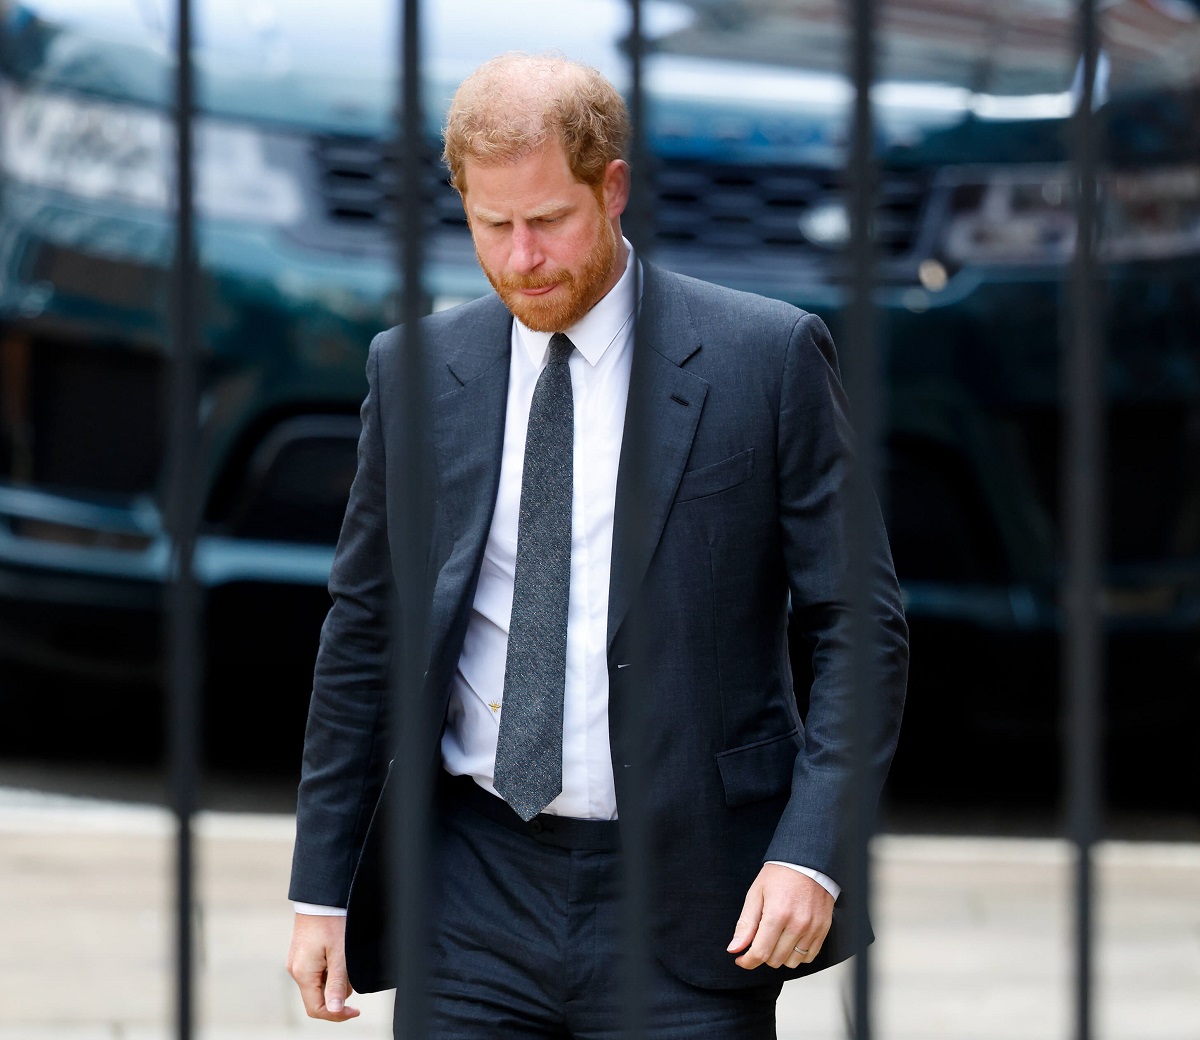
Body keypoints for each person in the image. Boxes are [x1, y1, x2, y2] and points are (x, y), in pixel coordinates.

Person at [286, 51, 908, 1038]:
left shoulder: (766, 357)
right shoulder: (414, 370)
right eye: (493, 226)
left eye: (548, 222)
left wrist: (812, 849)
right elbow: (365, 629)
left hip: (696, 898)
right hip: (469, 892)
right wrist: (320, 885)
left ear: (611, 188)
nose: (522, 257)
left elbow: (859, 625)